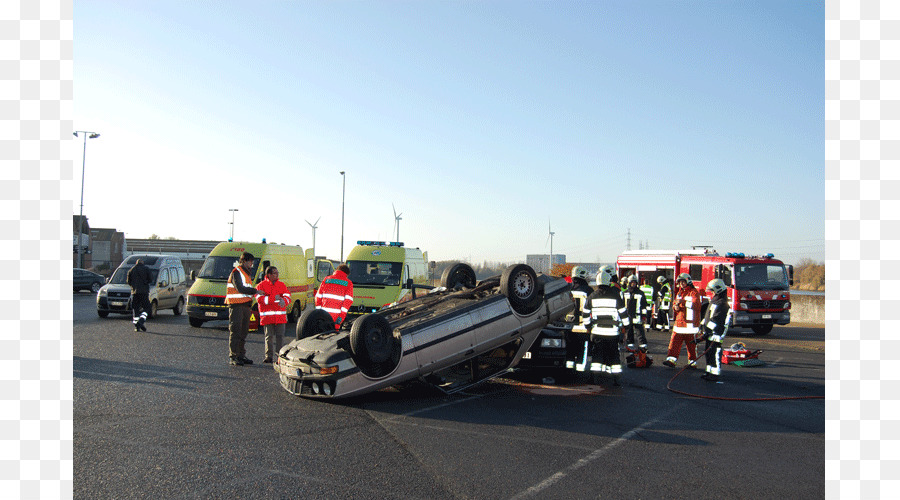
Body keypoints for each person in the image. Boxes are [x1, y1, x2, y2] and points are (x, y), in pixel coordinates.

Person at [584, 265, 627, 385]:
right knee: (614, 356)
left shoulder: (592, 296)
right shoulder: (615, 295)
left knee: (597, 356)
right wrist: (626, 328)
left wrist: (588, 327)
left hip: (597, 332)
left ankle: (593, 379)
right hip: (612, 333)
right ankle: (616, 380)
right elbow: (623, 313)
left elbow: (586, 314)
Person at [227, 252, 261, 366]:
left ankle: (241, 355)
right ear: (244, 261)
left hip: (245, 305)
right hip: (236, 305)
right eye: (250, 261)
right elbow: (240, 288)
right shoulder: (237, 272)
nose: (252, 264)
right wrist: (255, 291)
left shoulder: (246, 273)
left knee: (243, 332)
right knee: (235, 331)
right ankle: (234, 356)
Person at [663, 273, 700, 368]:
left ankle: (692, 362)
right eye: (680, 282)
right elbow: (675, 304)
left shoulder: (694, 292)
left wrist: (682, 303)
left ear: (688, 282)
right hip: (679, 323)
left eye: (683, 282)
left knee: (691, 346)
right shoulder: (679, 293)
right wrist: (675, 307)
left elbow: (696, 306)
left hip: (690, 325)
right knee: (674, 342)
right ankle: (671, 360)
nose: (681, 284)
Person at [255, 265, 290, 365]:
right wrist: (274, 298)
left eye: (277, 272)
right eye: (275, 273)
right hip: (268, 317)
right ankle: (268, 357)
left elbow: (288, 296)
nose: (277, 274)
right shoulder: (261, 286)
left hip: (280, 317)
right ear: (268, 275)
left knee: (280, 337)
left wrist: (284, 300)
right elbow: (259, 299)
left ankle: (279, 357)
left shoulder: (282, 285)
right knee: (268, 337)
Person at [698, 278, 732, 381]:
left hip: (716, 334)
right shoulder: (715, 301)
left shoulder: (722, 303)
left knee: (715, 353)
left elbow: (716, 320)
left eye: (713, 291)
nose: (711, 293)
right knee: (708, 353)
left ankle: (715, 374)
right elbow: (708, 316)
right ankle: (709, 371)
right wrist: (702, 327)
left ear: (718, 290)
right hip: (709, 333)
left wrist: (707, 332)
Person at [315, 263, 354, 329]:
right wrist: (340, 318)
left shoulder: (326, 279)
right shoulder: (348, 283)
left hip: (323, 316)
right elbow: (348, 301)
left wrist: (319, 313)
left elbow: (318, 297)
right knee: (333, 336)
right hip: (336, 317)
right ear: (346, 274)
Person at [622, 275, 649, 352]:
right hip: (628, 316)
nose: (633, 284)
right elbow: (622, 306)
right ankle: (630, 347)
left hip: (638, 317)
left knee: (640, 333)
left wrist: (644, 316)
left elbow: (644, 306)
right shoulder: (625, 293)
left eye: (634, 283)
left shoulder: (641, 293)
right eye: (632, 283)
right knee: (629, 333)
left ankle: (643, 347)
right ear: (629, 283)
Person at [126, 258, 152, 332]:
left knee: (135, 309)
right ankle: (141, 321)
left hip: (134, 293)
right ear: (142, 263)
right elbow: (150, 279)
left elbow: (128, 281)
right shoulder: (146, 269)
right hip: (144, 292)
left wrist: (133, 287)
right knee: (147, 308)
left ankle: (137, 326)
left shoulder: (131, 270)